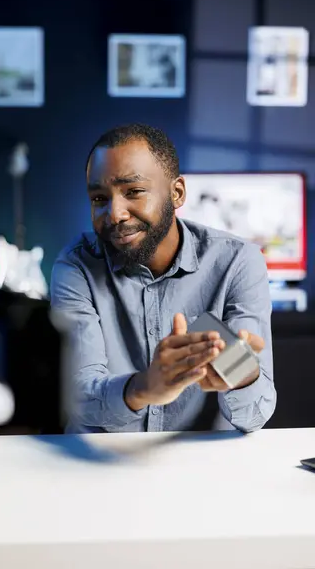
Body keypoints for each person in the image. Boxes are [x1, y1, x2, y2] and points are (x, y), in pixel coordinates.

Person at [50, 123, 276, 434]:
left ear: (177, 193)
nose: (114, 213)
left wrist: (242, 375)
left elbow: (254, 416)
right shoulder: (77, 266)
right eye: (100, 198)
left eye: (134, 192)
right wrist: (144, 388)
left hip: (198, 467)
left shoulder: (237, 262)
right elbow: (77, 397)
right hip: (98, 468)